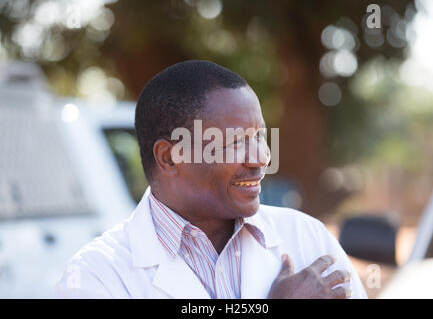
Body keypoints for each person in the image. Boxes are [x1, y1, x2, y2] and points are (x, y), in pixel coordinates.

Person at [55, 60, 367, 299]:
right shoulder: (95, 276)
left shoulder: (307, 238)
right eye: (235, 142)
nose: (261, 158)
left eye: (259, 136)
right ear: (169, 157)